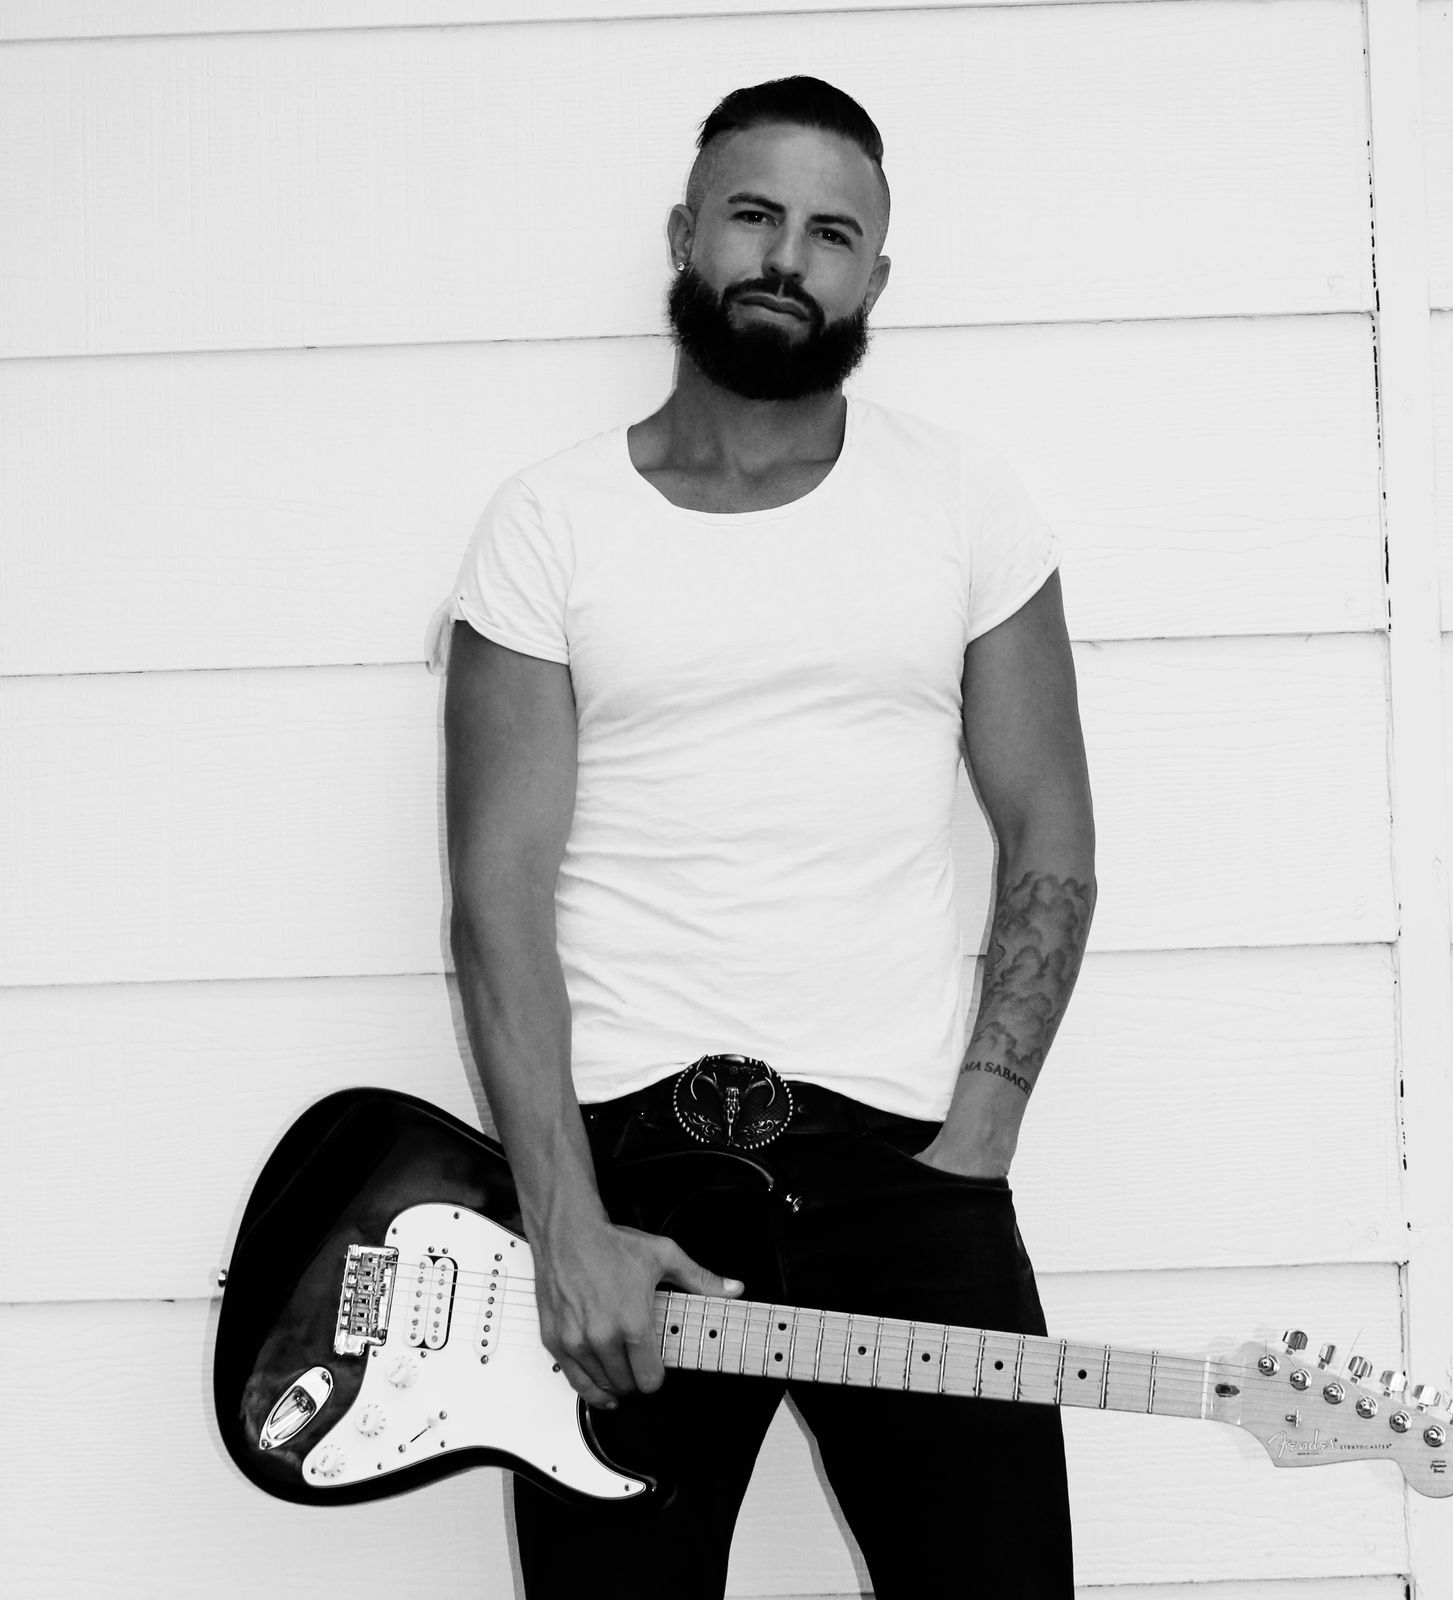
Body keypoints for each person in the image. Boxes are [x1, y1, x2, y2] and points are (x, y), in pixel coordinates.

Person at [434, 75, 1096, 1599]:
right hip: (633, 1179)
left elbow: (1048, 834)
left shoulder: (966, 504)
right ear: (686, 235)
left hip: (911, 1166)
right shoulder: (549, 523)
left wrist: (978, 1144)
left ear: (876, 274)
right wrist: (566, 1224)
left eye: (832, 233)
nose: (788, 258)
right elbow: (495, 899)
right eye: (753, 215)